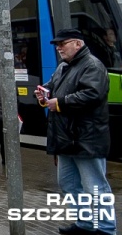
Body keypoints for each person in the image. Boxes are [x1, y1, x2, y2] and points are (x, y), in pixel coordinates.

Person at [35, 29, 115, 235]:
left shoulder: (92, 65)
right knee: (69, 184)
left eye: (63, 43)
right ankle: (85, 224)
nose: (59, 48)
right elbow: (52, 87)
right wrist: (43, 93)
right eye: (57, 44)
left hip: (86, 138)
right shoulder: (63, 67)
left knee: (95, 187)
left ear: (78, 44)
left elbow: (92, 94)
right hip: (66, 139)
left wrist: (59, 103)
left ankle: (106, 229)